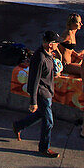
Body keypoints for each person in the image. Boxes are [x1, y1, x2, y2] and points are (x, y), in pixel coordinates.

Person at [13, 30, 61, 158]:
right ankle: (44, 148)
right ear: (50, 44)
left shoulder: (49, 54)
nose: (58, 45)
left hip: (48, 91)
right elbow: (34, 80)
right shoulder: (39, 58)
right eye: (56, 42)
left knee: (41, 114)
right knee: (49, 122)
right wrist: (33, 101)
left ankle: (18, 125)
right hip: (42, 93)